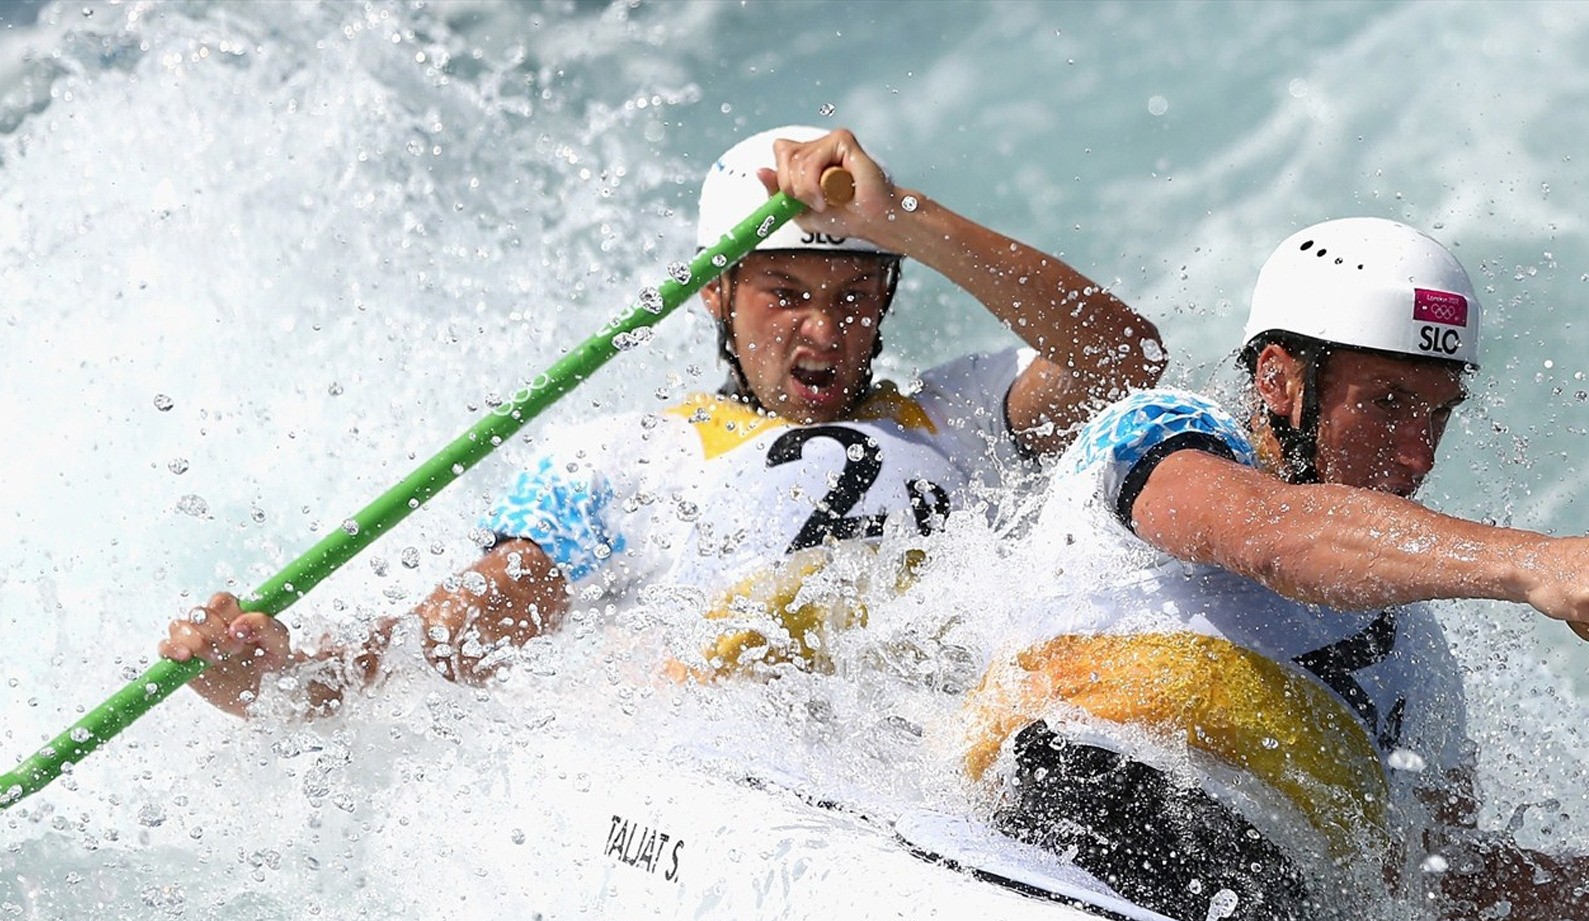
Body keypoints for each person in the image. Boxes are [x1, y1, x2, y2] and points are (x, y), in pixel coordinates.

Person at [962, 217, 1589, 921]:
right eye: (1387, 403)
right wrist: (1536, 563)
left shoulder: (1417, 662)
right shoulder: (1158, 436)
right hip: (1051, 830)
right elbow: (1274, 537)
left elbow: (1454, 910)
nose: (1418, 455)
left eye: (1438, 413)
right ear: (1280, 380)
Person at [161, 124, 1164, 713]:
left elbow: (1128, 358)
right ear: (715, 294)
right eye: (785, 292)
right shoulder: (619, 460)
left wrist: (906, 222)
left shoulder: (960, 414)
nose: (826, 329)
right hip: (738, 776)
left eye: (857, 293)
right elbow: (448, 645)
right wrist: (281, 675)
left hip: (946, 756)